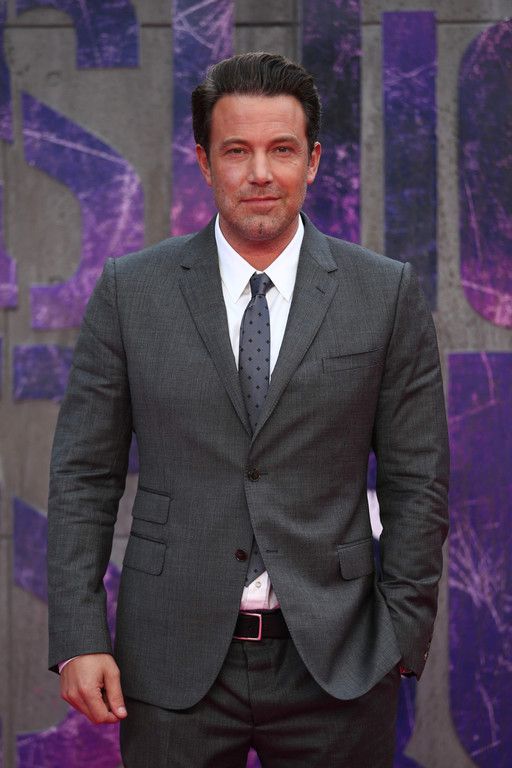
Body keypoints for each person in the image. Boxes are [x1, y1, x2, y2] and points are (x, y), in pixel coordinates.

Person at [48, 52, 450, 767]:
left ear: (313, 161)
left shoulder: (383, 294)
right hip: (169, 659)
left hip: (339, 662)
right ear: (205, 162)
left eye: (282, 150)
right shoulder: (131, 292)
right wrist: (80, 636)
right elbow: (84, 476)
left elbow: (418, 482)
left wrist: (400, 634)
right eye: (237, 151)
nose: (260, 173)